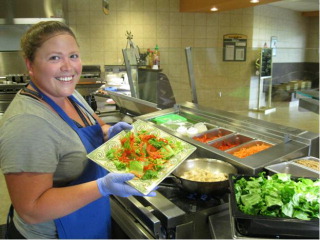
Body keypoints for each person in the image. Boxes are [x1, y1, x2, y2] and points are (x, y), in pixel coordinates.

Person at [0, 21, 156, 239]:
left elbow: (95, 125)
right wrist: (103, 187)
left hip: (87, 221)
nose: (68, 67)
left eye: (73, 56)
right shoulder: (27, 123)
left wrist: (108, 132)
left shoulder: (70, 94)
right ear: (30, 64)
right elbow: (31, 210)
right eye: (54, 57)